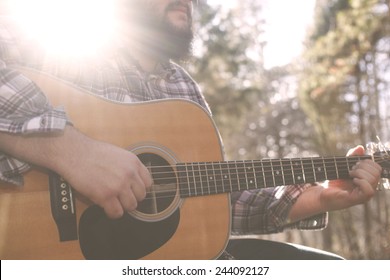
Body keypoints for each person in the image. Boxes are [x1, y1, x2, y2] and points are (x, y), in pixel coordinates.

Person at [0, 0, 383, 259]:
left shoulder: (183, 90)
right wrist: (72, 152)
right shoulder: (59, 40)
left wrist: (319, 198)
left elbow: (207, 205)